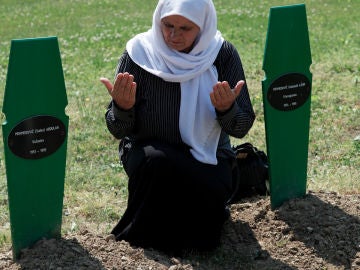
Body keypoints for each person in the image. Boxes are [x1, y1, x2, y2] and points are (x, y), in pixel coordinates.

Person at [100, 0, 255, 252]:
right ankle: (140, 243)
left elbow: (241, 127)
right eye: (168, 25)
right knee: (157, 161)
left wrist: (227, 109)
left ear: (203, 26)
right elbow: (117, 129)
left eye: (185, 28)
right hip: (149, 155)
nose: (174, 35)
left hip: (209, 157)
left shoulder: (222, 54)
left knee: (207, 211)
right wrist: (122, 107)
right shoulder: (139, 53)